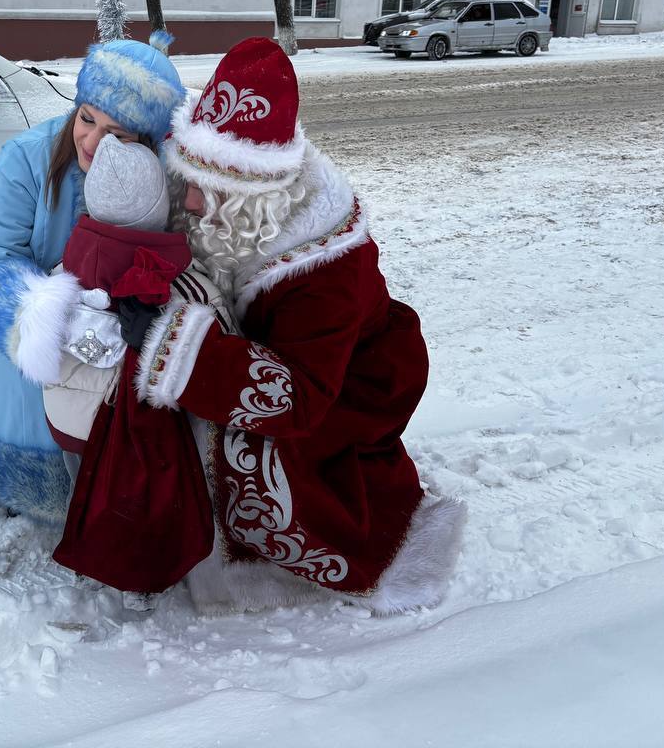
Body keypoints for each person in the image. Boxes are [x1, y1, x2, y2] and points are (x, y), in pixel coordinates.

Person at [131, 36, 466, 614]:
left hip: (348, 390)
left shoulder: (323, 267)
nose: (185, 201)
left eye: (203, 192)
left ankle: (256, 569)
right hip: (297, 362)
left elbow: (301, 397)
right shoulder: (242, 216)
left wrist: (187, 350)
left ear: (251, 196)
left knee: (241, 446)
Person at [0, 33, 186, 524]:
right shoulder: (26, 158)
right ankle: (29, 485)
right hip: (32, 352)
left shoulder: (164, 177)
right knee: (35, 433)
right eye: (87, 119)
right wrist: (43, 316)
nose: (91, 141)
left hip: (115, 345)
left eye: (119, 135)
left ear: (149, 141)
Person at [42, 134, 219, 593]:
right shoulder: (182, 282)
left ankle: (89, 549)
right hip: (136, 432)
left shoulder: (62, 271)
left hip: (68, 424)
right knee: (136, 498)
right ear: (160, 207)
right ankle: (142, 579)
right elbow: (220, 341)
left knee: (87, 486)